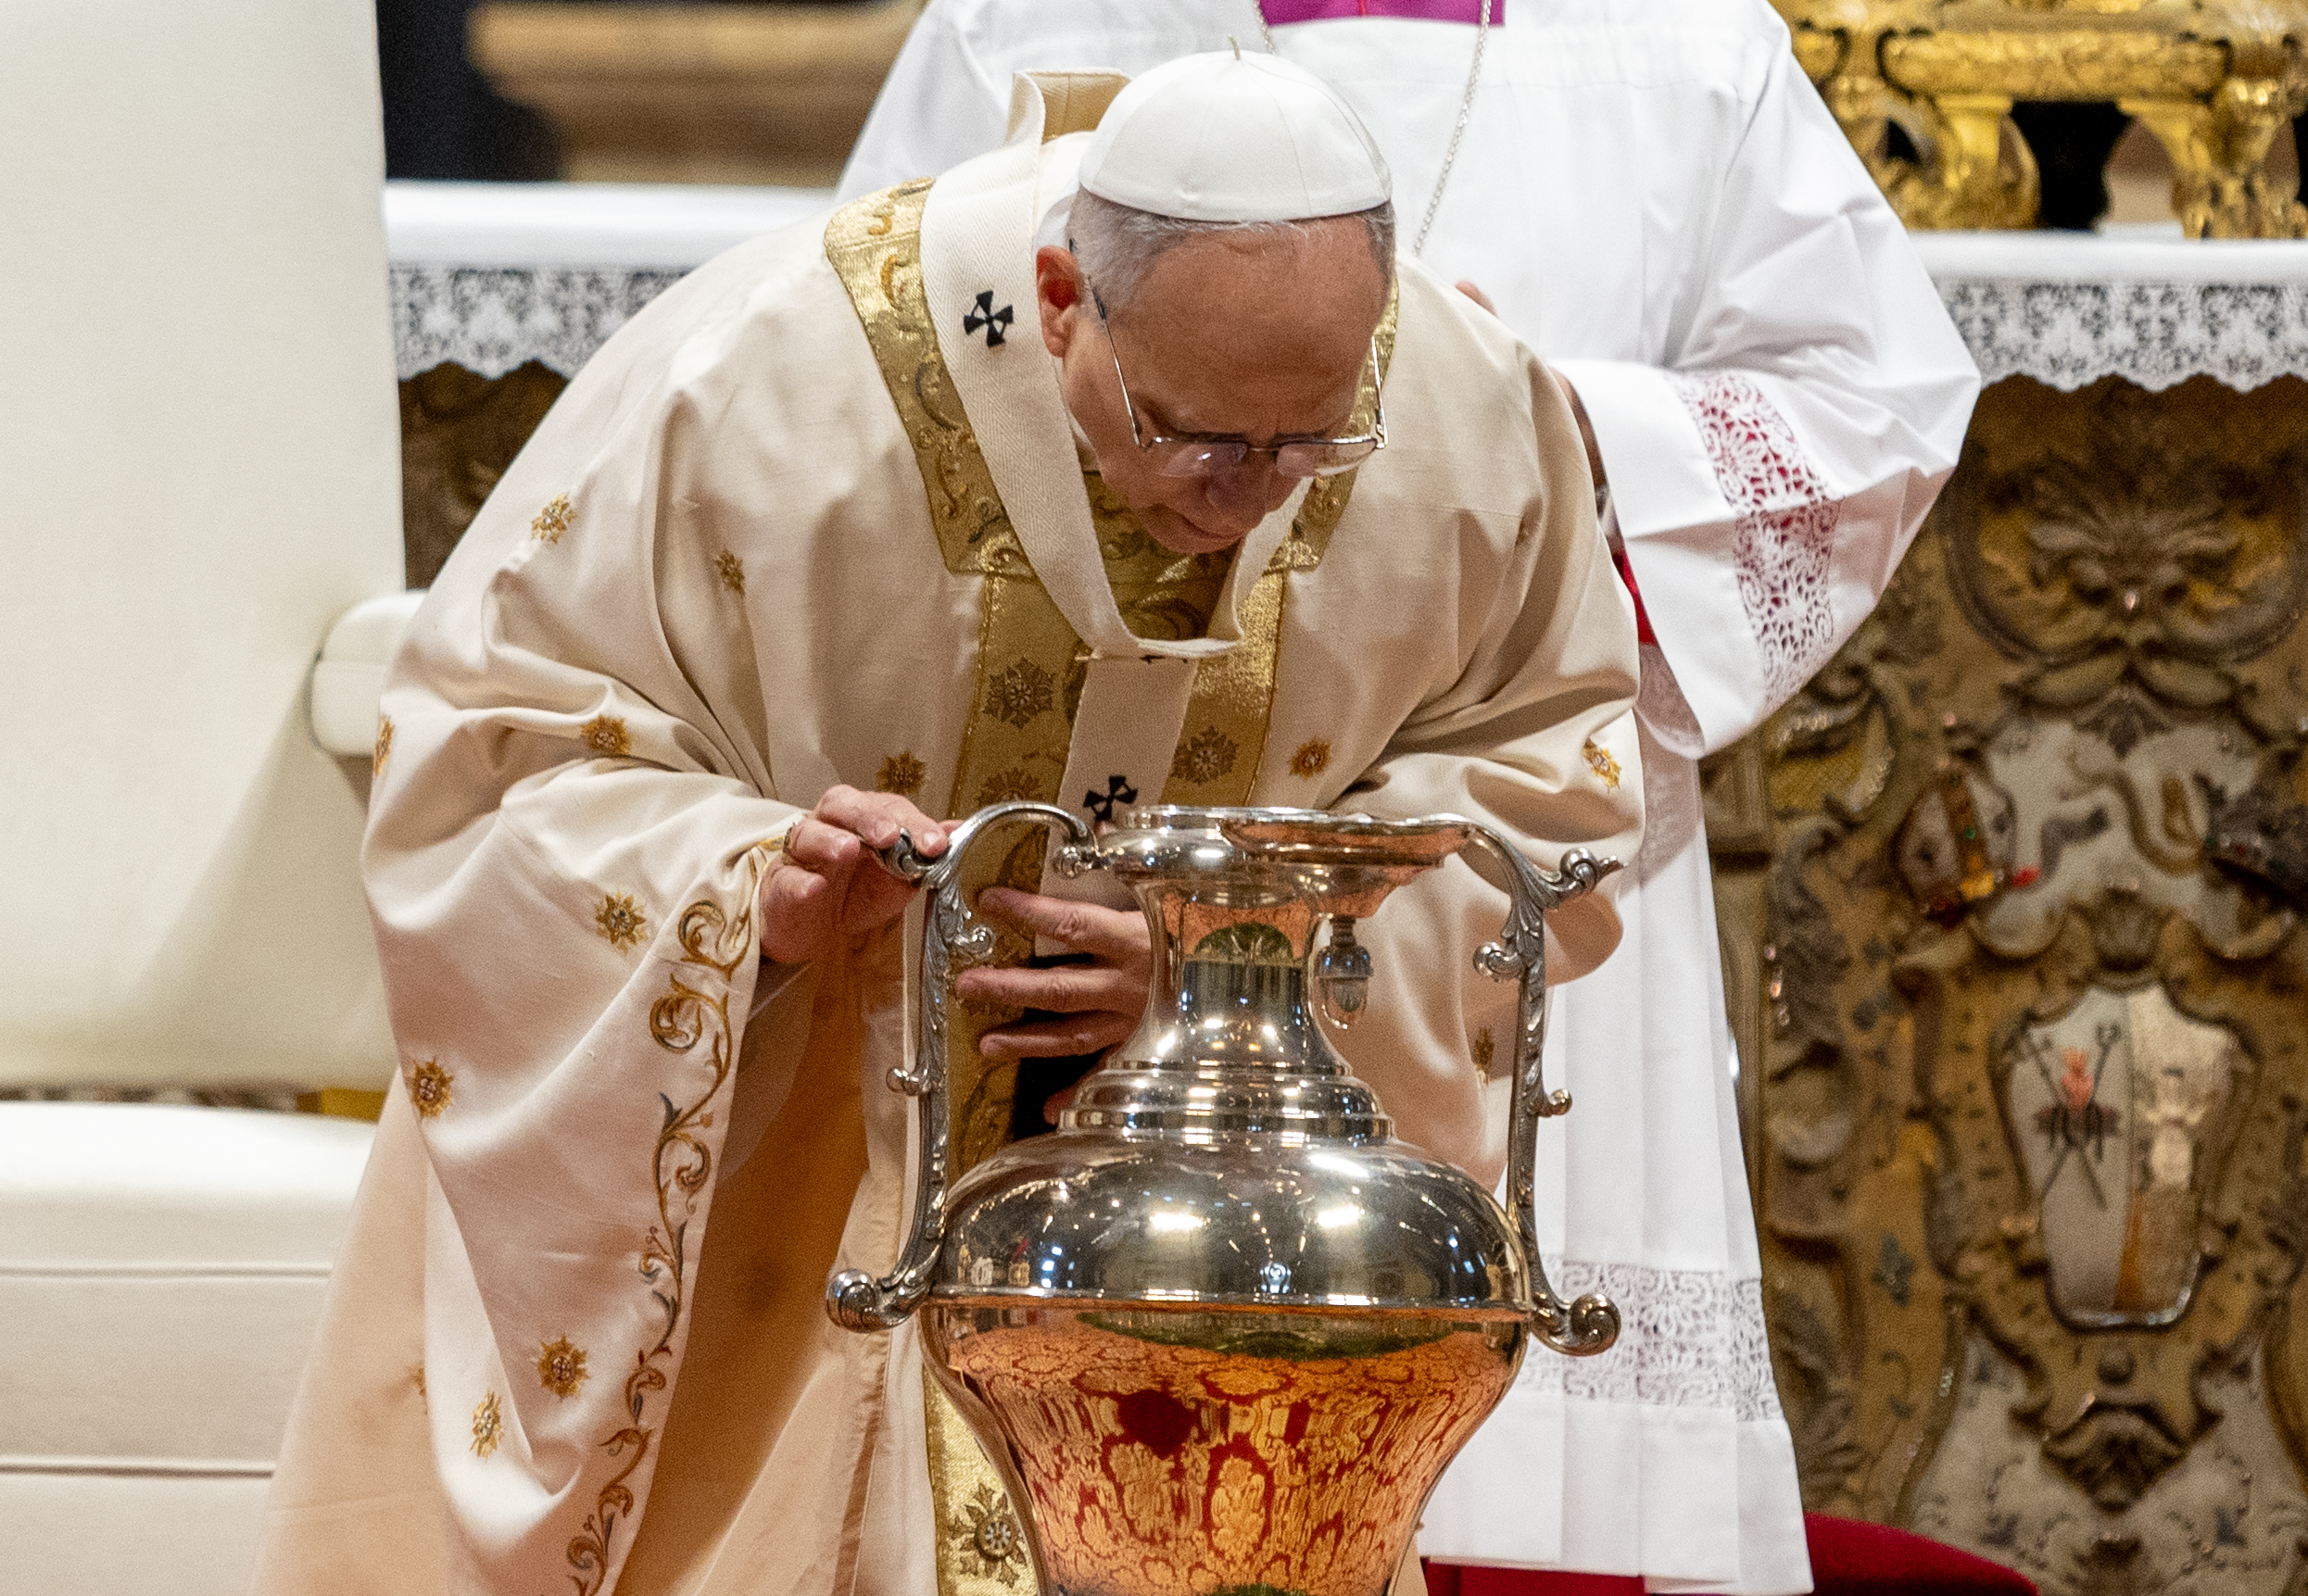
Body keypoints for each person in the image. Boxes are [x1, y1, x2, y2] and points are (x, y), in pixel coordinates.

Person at [253, 52, 1644, 1596]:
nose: (1249, 494)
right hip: (802, 1179)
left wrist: (1244, 962)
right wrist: (749, 890)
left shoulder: (1467, 413)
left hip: (1207, 1237)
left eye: (1313, 441)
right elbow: (492, 760)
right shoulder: (764, 382)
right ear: (1061, 301)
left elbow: (1552, 786)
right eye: (1196, 432)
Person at [844, 6, 1981, 1593]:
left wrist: (1523, 427)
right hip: (1089, 826)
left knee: (1517, 1481)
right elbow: (892, 360)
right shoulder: (1029, 23)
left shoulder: (1688, 46)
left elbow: (1873, 405)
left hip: (1492, 812)